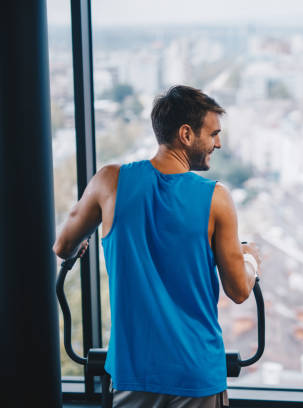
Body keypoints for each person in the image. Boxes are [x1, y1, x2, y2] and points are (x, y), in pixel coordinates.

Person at [53, 85, 261, 408]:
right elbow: (238, 290)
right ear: (186, 134)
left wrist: (80, 245)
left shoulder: (109, 182)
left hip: (132, 376)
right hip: (196, 376)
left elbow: (63, 245)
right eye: (213, 134)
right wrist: (250, 261)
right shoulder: (216, 199)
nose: (218, 143)